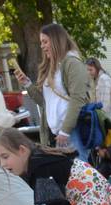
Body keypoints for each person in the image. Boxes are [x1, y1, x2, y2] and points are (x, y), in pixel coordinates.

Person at [12, 23, 92, 161]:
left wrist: (65, 131)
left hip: (73, 130)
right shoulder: (51, 67)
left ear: (56, 40)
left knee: (80, 176)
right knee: (69, 177)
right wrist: (27, 84)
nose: (42, 46)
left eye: (45, 41)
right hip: (59, 133)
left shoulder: (72, 63)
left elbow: (77, 99)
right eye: (41, 42)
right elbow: (45, 103)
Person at [85, 58, 111, 130]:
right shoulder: (99, 78)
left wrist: (100, 121)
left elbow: (105, 104)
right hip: (110, 121)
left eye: (91, 70)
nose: (88, 72)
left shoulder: (103, 79)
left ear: (97, 68)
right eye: (87, 70)